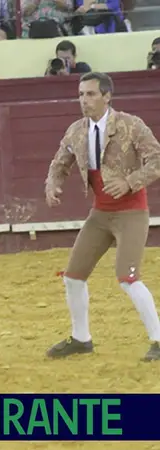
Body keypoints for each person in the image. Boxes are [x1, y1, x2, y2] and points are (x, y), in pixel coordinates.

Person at [44, 72, 160, 362]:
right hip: (101, 214)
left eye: (91, 94)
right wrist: (53, 183)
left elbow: (157, 159)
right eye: (81, 94)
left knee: (128, 277)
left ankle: (159, 339)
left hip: (131, 211)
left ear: (107, 96)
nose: (84, 100)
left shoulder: (131, 125)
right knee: (73, 277)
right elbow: (60, 162)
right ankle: (81, 338)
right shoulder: (76, 130)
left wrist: (130, 181)